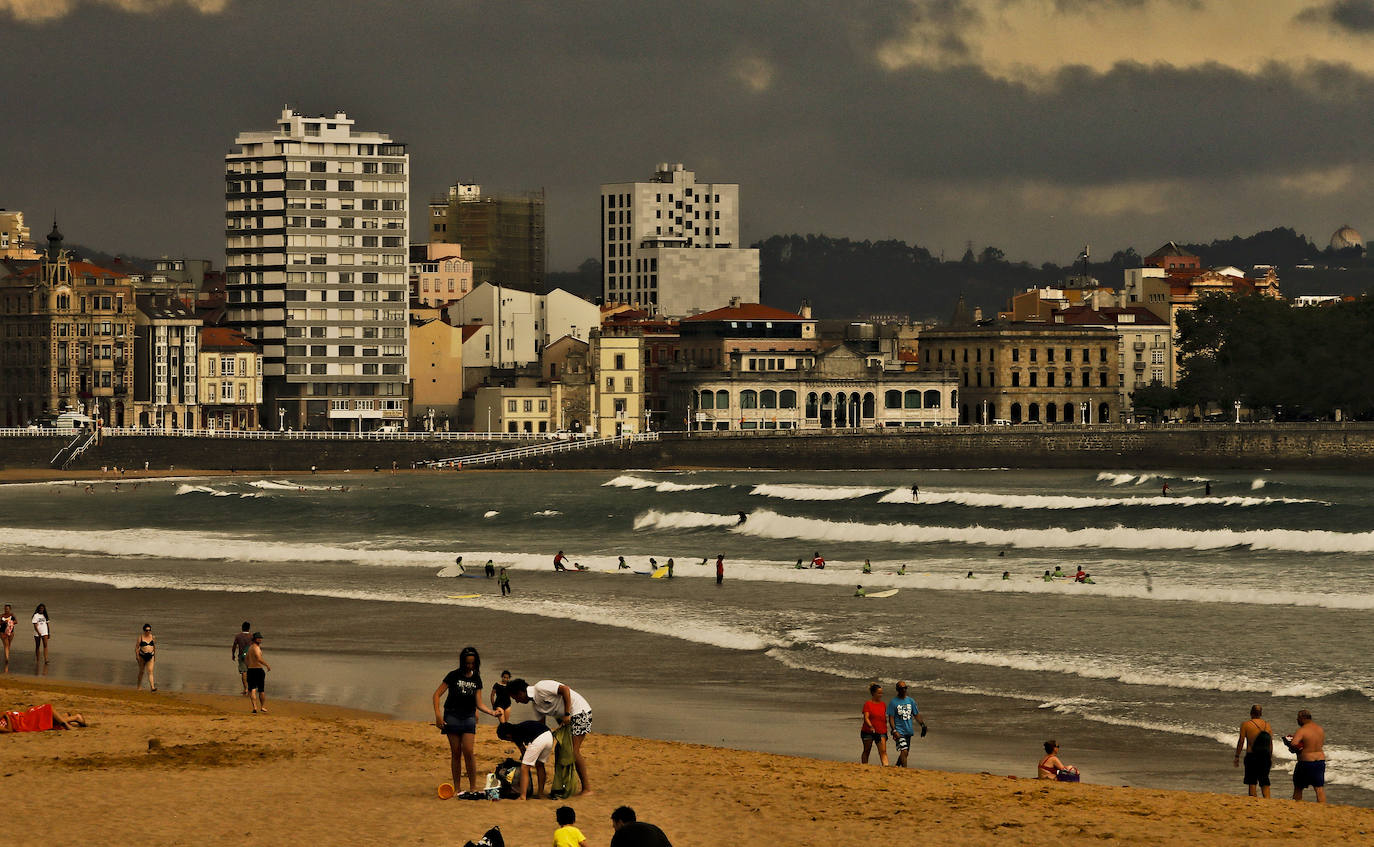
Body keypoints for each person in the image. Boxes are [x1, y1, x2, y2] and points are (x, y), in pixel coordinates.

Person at [508, 678, 593, 793]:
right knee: (560, 750)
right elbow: (541, 727)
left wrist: (567, 714)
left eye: (515, 698)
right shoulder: (536, 706)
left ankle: (587, 788)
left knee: (574, 751)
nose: (517, 701)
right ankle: (565, 785)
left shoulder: (541, 687)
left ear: (520, 693)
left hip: (579, 712)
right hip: (567, 720)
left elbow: (565, 690)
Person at [432, 645, 497, 793]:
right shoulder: (453, 675)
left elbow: (479, 703)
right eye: (467, 663)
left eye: (472, 663)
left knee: (468, 750)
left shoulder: (476, 678)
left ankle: (473, 787)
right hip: (452, 716)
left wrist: (492, 713)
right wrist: (438, 715)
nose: (469, 666)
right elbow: (436, 695)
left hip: (468, 717)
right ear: (462, 662)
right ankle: (458, 788)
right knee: (455, 752)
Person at [497, 719, 555, 801]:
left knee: (524, 767)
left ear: (508, 735)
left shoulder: (515, 734)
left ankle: (522, 796)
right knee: (540, 765)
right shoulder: (519, 727)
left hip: (539, 738)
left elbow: (524, 758)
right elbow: (523, 751)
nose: (509, 741)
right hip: (549, 736)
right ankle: (540, 793)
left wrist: (525, 761)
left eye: (507, 739)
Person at [1234, 704, 1274, 798]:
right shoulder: (1267, 725)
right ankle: (1268, 801)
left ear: (1251, 713)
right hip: (1265, 757)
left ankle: (1253, 801)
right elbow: (1270, 743)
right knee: (1264, 780)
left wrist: (1237, 756)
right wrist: (1270, 757)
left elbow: (1241, 741)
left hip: (1252, 756)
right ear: (1261, 713)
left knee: (1252, 780)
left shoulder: (1246, 724)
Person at [1286, 709, 1326, 803]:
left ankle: (1298, 806)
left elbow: (1294, 744)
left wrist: (1290, 745)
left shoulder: (1302, 730)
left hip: (1306, 763)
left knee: (1298, 787)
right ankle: (1323, 808)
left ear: (1303, 718)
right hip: (1320, 761)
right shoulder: (1320, 729)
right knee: (1319, 788)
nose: (1297, 719)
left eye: (1298, 717)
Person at [886, 680, 926, 768]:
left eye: (905, 688)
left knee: (906, 752)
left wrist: (922, 725)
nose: (904, 690)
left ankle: (896, 766)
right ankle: (905, 770)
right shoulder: (893, 702)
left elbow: (916, 714)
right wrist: (894, 730)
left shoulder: (910, 701)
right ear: (897, 689)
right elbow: (891, 718)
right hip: (899, 731)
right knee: (904, 751)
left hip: (908, 730)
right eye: (901, 688)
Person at [0, 705, 87, 732]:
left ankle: (69, 718)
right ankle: (69, 720)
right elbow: (9, 730)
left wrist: (5, 715)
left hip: (23, 716)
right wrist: (7, 717)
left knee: (44, 713)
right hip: (23, 723)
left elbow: (3, 712)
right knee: (47, 708)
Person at [860, 682, 889, 766]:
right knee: (867, 749)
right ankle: (864, 765)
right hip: (868, 731)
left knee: (883, 750)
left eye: (881, 693)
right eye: (879, 693)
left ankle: (885, 765)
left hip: (881, 731)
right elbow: (866, 717)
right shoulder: (868, 704)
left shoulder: (883, 704)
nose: (881, 695)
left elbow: (883, 718)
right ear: (873, 693)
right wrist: (871, 726)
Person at [246, 632, 270, 714]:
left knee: (252, 689)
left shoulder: (250, 648)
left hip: (251, 670)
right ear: (254, 639)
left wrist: (248, 666)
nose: (260, 639)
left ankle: (255, 707)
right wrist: (267, 665)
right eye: (258, 638)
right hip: (258, 670)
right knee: (261, 690)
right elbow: (259, 658)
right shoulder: (256, 648)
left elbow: (246, 659)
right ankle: (262, 707)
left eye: (260, 638)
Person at [231, 622, 253, 695]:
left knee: (244, 672)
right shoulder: (252, 636)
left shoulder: (238, 636)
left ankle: (246, 689)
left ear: (242, 627)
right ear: (249, 628)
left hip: (242, 656)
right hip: (251, 656)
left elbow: (234, 646)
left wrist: (233, 654)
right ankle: (250, 689)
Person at [135, 623, 157, 692]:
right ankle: (138, 686)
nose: (148, 631)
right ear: (144, 630)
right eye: (146, 630)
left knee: (150, 671)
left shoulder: (153, 637)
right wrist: (137, 656)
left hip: (151, 656)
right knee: (141, 672)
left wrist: (155, 656)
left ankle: (152, 687)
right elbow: (136, 648)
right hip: (142, 656)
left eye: (149, 630)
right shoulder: (140, 638)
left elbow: (154, 647)